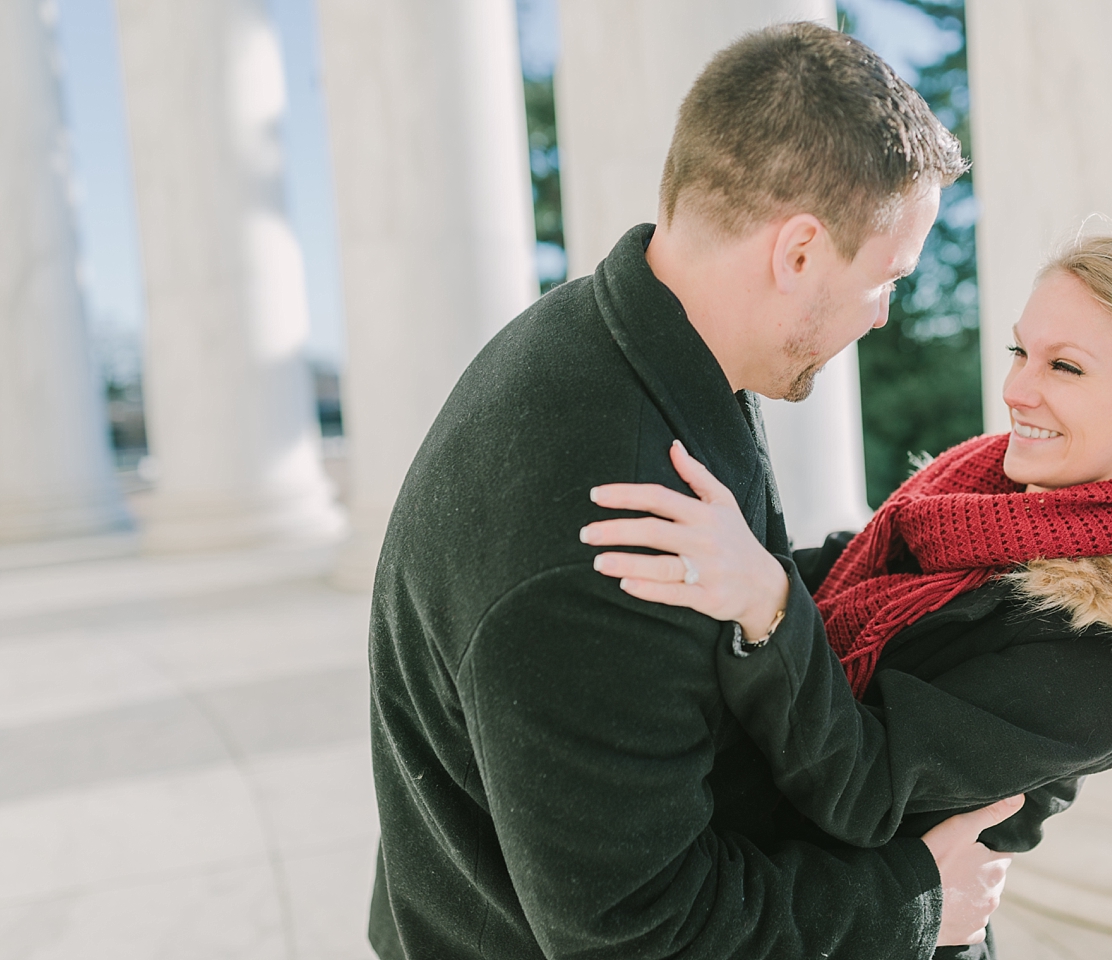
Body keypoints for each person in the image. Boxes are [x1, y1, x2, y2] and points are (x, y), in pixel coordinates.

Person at [367, 21, 1031, 960]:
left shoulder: (626, 345)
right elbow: (634, 934)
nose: (884, 314)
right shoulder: (604, 514)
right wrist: (914, 898)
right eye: (887, 278)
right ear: (799, 252)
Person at [584, 232, 1112, 957]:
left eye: (1067, 367)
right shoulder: (974, 504)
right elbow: (835, 578)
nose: (1018, 389)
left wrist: (766, 608)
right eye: (1022, 352)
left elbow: (862, 788)